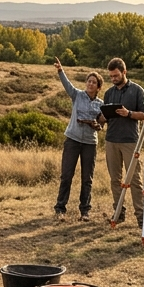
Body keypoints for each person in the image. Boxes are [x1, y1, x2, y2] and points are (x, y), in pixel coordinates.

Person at [53, 59, 104, 220]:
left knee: (87, 178)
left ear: (98, 87)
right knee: (66, 175)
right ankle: (60, 208)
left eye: (93, 82)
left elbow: (102, 124)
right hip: (73, 140)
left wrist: (96, 125)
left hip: (90, 143)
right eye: (88, 81)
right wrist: (60, 70)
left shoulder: (101, 104)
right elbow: (67, 85)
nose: (90, 84)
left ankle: (85, 211)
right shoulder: (77, 95)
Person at [99, 57, 144, 224]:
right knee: (115, 179)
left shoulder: (137, 91)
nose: (113, 79)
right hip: (111, 140)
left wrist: (128, 114)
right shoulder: (108, 93)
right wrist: (100, 119)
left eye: (116, 76)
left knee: (134, 179)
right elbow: (105, 116)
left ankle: (141, 217)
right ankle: (119, 213)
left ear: (124, 72)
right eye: (111, 76)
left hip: (130, 141)